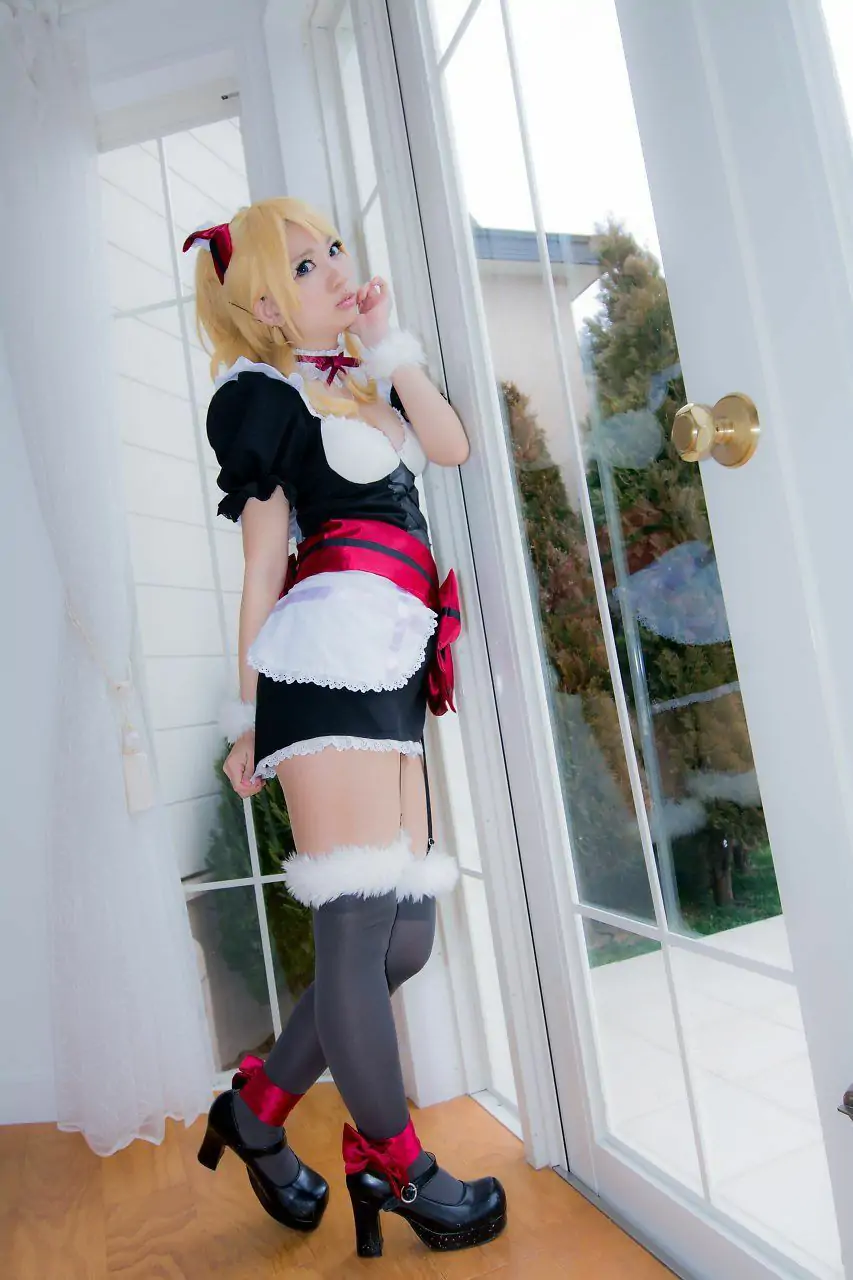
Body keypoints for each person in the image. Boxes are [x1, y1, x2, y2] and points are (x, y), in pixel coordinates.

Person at [184, 197, 507, 1257]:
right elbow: (260, 570)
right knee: (360, 931)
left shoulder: (360, 383)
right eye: (304, 264)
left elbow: (450, 443)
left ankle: (257, 1109)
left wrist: (385, 339)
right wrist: (248, 719)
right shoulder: (264, 400)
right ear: (266, 304)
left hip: (390, 666)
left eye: (332, 249)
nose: (334, 268)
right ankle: (395, 1160)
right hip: (323, 665)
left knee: (403, 935)